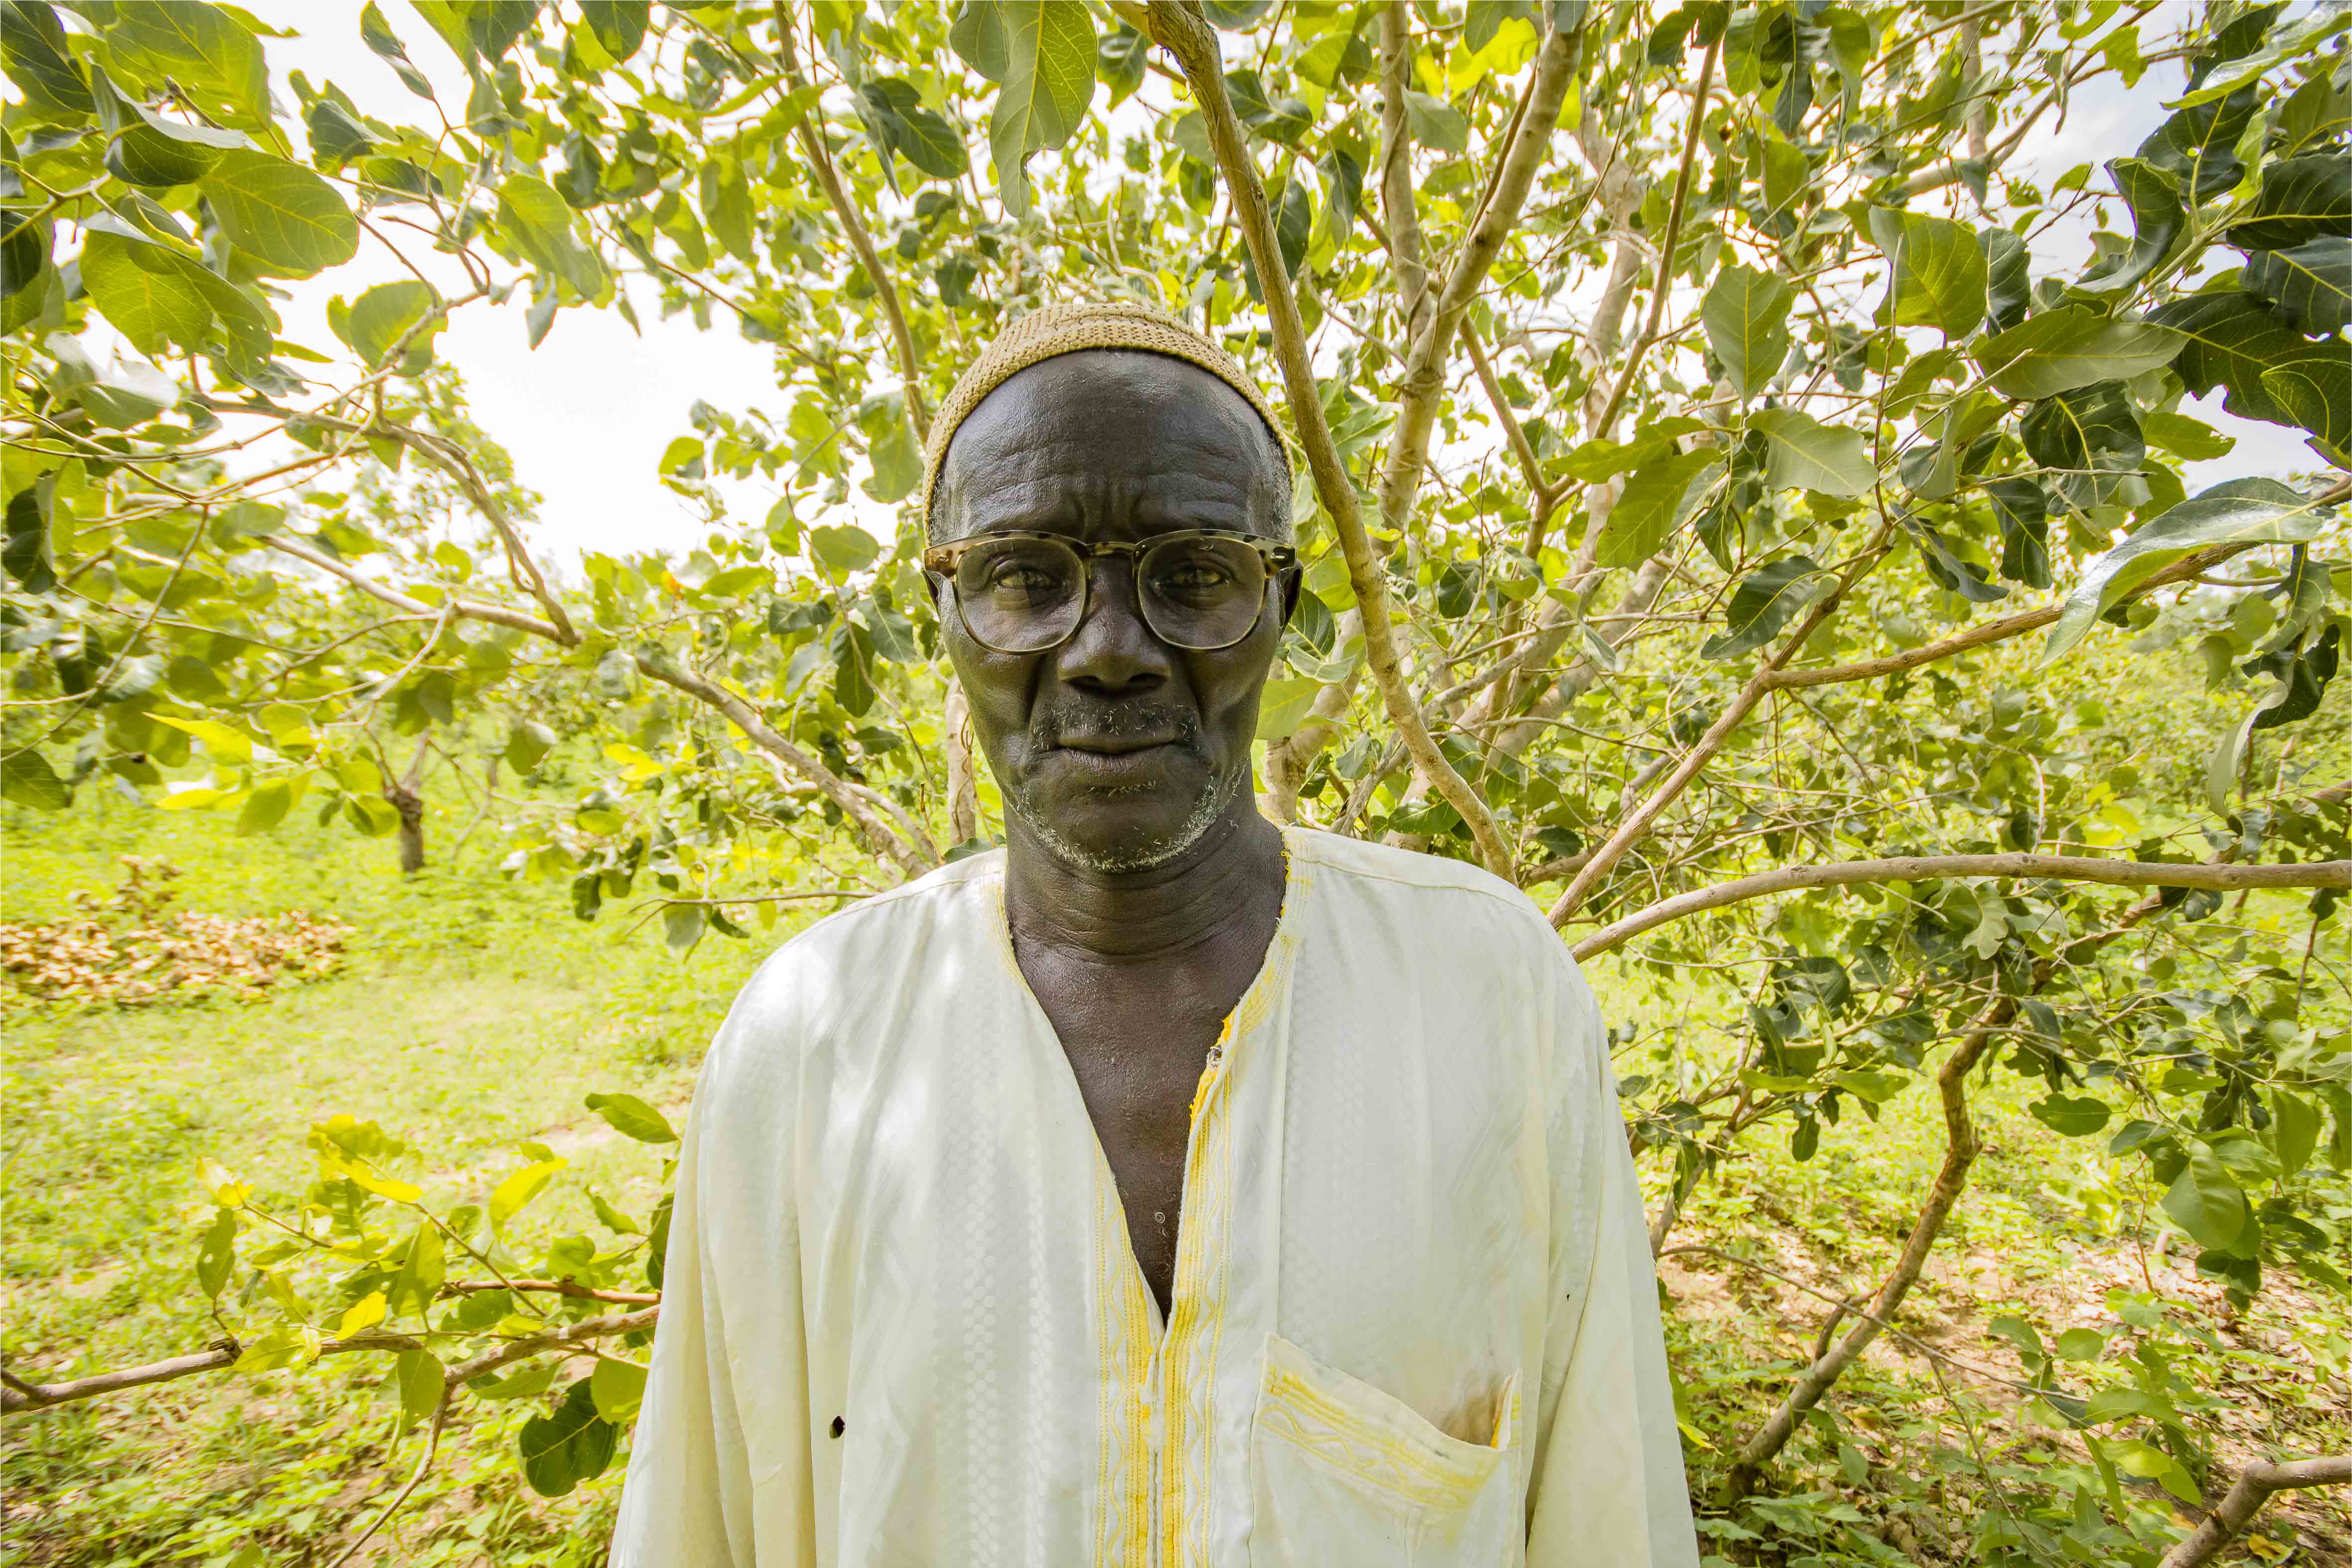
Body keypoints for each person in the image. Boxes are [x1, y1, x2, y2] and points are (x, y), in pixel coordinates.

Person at [610, 301, 1698, 1566]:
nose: (1108, 652)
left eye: (1192, 575)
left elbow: (1606, 1509)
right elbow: (706, 1520)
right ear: (945, 612)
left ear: (1281, 605)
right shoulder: (809, 1040)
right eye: (1025, 578)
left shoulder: (1489, 992)